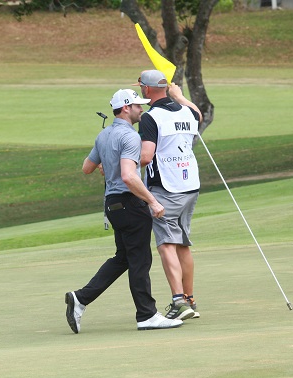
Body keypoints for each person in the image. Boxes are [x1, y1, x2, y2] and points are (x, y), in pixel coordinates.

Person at [65, 89, 183, 333]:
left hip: (113, 206)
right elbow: (130, 176)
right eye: (138, 106)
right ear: (126, 108)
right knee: (140, 260)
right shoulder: (130, 137)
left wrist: (109, 165)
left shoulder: (104, 135)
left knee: (124, 258)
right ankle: (147, 315)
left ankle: (81, 298)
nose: (142, 109)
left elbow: (87, 168)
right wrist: (153, 201)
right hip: (131, 204)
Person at [136, 70, 203, 320]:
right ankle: (190, 298)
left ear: (148, 90)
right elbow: (197, 114)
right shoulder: (186, 111)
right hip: (190, 187)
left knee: (166, 244)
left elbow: (145, 157)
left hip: (166, 189)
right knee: (182, 243)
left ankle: (178, 301)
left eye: (142, 86)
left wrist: (121, 163)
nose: (141, 89)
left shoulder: (150, 118)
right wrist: (181, 96)